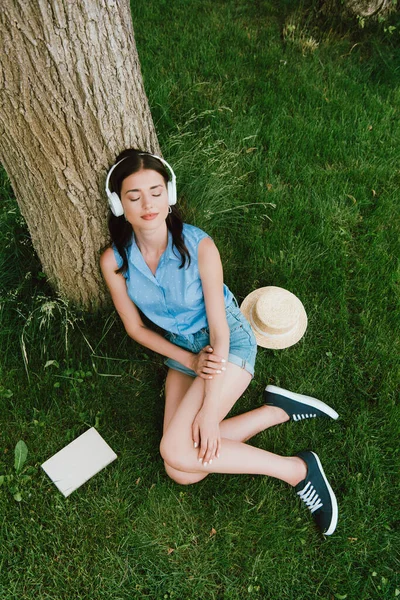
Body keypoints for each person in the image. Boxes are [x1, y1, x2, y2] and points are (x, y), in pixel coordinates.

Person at [100, 149, 339, 536]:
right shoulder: (114, 261)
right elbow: (136, 328)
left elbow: (220, 330)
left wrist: (210, 411)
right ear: (118, 204)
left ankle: (298, 470)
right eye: (134, 196)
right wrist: (187, 360)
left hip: (226, 344)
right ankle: (274, 411)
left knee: (178, 452)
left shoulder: (200, 247)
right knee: (180, 471)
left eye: (156, 191)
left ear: (169, 194)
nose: (148, 204)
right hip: (183, 350)